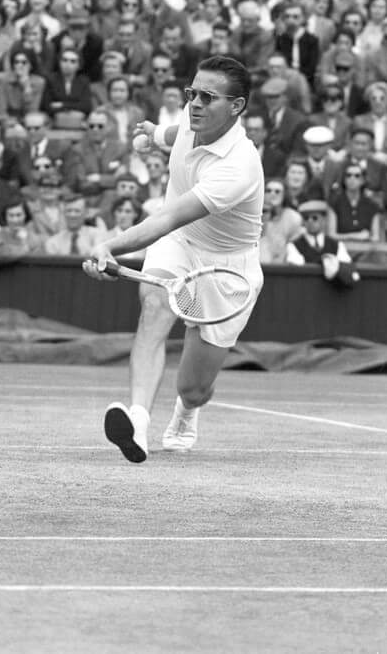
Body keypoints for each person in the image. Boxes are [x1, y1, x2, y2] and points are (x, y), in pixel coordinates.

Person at [84, 55, 264, 463]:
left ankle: (185, 414)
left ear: (236, 107)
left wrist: (110, 246)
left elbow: (165, 217)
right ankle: (138, 421)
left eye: (207, 97)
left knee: (195, 387)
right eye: (192, 94)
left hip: (227, 269)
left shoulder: (239, 167)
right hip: (180, 244)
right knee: (154, 306)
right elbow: (176, 131)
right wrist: (155, 134)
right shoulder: (191, 117)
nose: (195, 103)